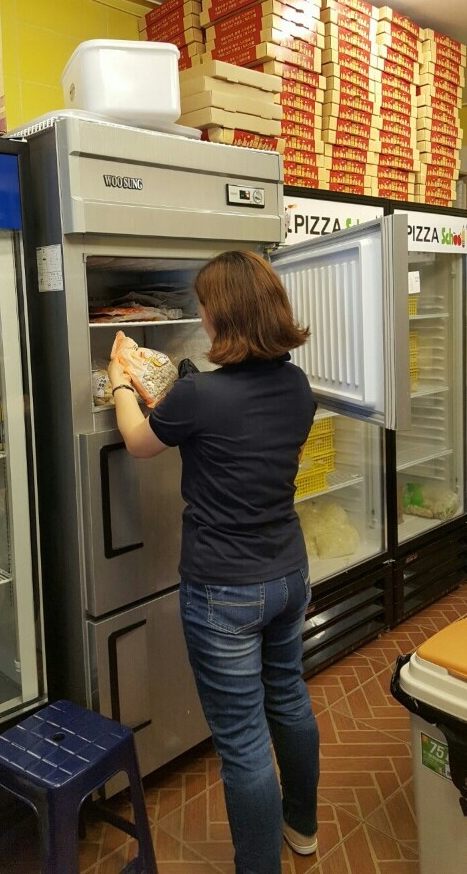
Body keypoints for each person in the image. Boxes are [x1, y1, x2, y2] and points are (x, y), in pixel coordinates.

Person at [108, 250, 320, 874]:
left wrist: (119, 380)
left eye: (203, 306)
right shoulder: (296, 386)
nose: (200, 315)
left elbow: (138, 441)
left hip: (223, 589)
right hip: (288, 574)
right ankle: (303, 829)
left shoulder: (198, 395)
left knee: (244, 741)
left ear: (222, 315)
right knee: (289, 698)